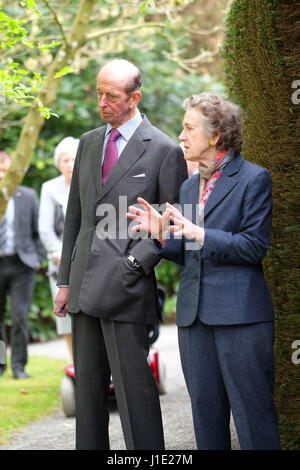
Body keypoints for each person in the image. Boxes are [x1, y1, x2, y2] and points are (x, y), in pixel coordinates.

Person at [127, 92, 281, 450]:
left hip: (241, 319)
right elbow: (191, 253)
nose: (180, 136)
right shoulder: (187, 185)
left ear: (215, 136)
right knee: (206, 418)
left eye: (188, 128)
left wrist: (201, 232)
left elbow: (254, 247)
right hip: (194, 320)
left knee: (253, 417)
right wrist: (163, 235)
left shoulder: (254, 178)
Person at [54, 59, 188, 450]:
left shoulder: (163, 149)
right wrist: (64, 281)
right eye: (98, 94)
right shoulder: (89, 142)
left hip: (127, 289)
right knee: (89, 395)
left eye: (111, 96)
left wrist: (135, 263)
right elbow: (75, 219)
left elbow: (173, 219)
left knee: (134, 394)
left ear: (135, 98)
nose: (102, 103)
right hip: (81, 287)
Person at [0, 151, 46, 379]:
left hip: (21, 265)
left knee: (19, 316)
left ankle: (19, 366)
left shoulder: (27, 196)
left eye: (5, 170)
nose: (1, 175)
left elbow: (39, 232)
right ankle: (0, 364)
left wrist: (37, 259)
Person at [38, 137, 79, 360]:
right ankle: (76, 365)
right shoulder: (49, 188)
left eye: (74, 159)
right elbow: (44, 229)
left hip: (87, 259)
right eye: (65, 160)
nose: (70, 164)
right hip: (60, 263)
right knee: (65, 320)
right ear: (58, 163)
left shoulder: (88, 184)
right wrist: (60, 255)